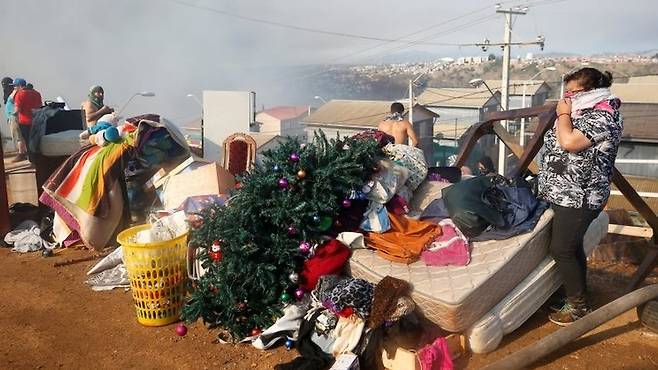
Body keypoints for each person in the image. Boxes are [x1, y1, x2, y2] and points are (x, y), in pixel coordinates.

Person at [539, 67, 623, 326]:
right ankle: (576, 296)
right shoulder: (582, 111)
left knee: (561, 249)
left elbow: (570, 142)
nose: (567, 97)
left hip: (581, 197)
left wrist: (563, 114)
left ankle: (579, 307)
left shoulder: (603, 116)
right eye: (566, 92)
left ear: (591, 91)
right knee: (572, 248)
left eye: (572, 92)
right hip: (565, 193)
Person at [13, 78, 42, 161]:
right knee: (37, 141)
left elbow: (17, 109)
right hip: (37, 121)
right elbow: (40, 106)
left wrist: (13, 114)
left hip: (25, 122)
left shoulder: (19, 95)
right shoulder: (37, 93)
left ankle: (32, 160)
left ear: (19, 86)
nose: (14, 88)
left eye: (15, 86)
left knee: (28, 142)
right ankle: (39, 159)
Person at [2, 78, 26, 160]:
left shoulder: (16, 93)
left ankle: (21, 153)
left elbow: (14, 100)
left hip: (14, 117)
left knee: (18, 136)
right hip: (11, 117)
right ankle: (22, 152)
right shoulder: (10, 92)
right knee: (17, 136)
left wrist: (14, 114)